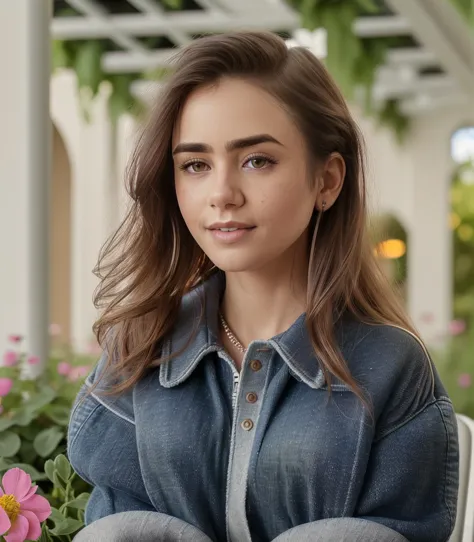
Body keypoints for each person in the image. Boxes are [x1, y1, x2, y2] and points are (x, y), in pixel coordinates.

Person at [68, 31, 459, 542]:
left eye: (257, 160)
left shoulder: (390, 367)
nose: (223, 194)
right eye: (196, 165)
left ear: (328, 180)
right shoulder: (136, 348)